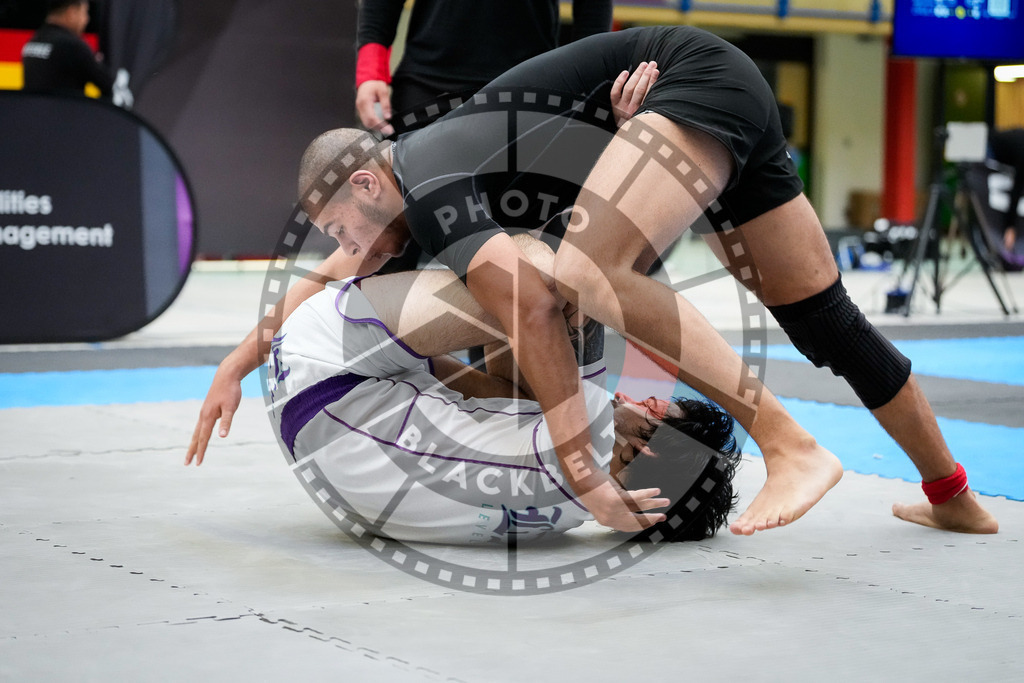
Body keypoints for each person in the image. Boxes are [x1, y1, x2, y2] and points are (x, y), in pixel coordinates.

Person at [191, 26, 997, 536]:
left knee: (579, 272)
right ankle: (951, 489)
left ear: (364, 185)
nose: (349, 255)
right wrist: (234, 365)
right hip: (700, 96)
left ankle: (789, 443)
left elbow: (538, 301)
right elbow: (325, 276)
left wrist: (580, 469)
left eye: (342, 230)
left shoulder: (429, 178)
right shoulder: (415, 198)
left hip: (689, 81)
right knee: (827, 323)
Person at [207, 234, 740, 544]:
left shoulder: (598, 422)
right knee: (539, 348)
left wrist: (236, 362)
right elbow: (470, 394)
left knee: (546, 268)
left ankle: (393, 227)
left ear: (643, 440)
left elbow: (584, 276)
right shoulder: (569, 516)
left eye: (654, 406)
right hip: (323, 453)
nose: (639, 396)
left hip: (319, 372)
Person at [356, 0, 612, 274]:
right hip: (429, 79)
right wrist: (370, 69)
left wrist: (589, 79)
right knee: (391, 235)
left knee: (521, 254)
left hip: (527, 83)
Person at [21, 0, 114, 100]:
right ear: (71, 13)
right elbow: (108, 85)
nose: (87, 19)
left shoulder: (33, 41)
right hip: (64, 113)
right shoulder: (72, 46)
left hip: (35, 113)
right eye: (85, 12)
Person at [989, 127, 1024, 252]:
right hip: (990, 148)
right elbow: (1016, 191)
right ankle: (991, 237)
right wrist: (1010, 227)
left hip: (1011, 146)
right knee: (989, 195)